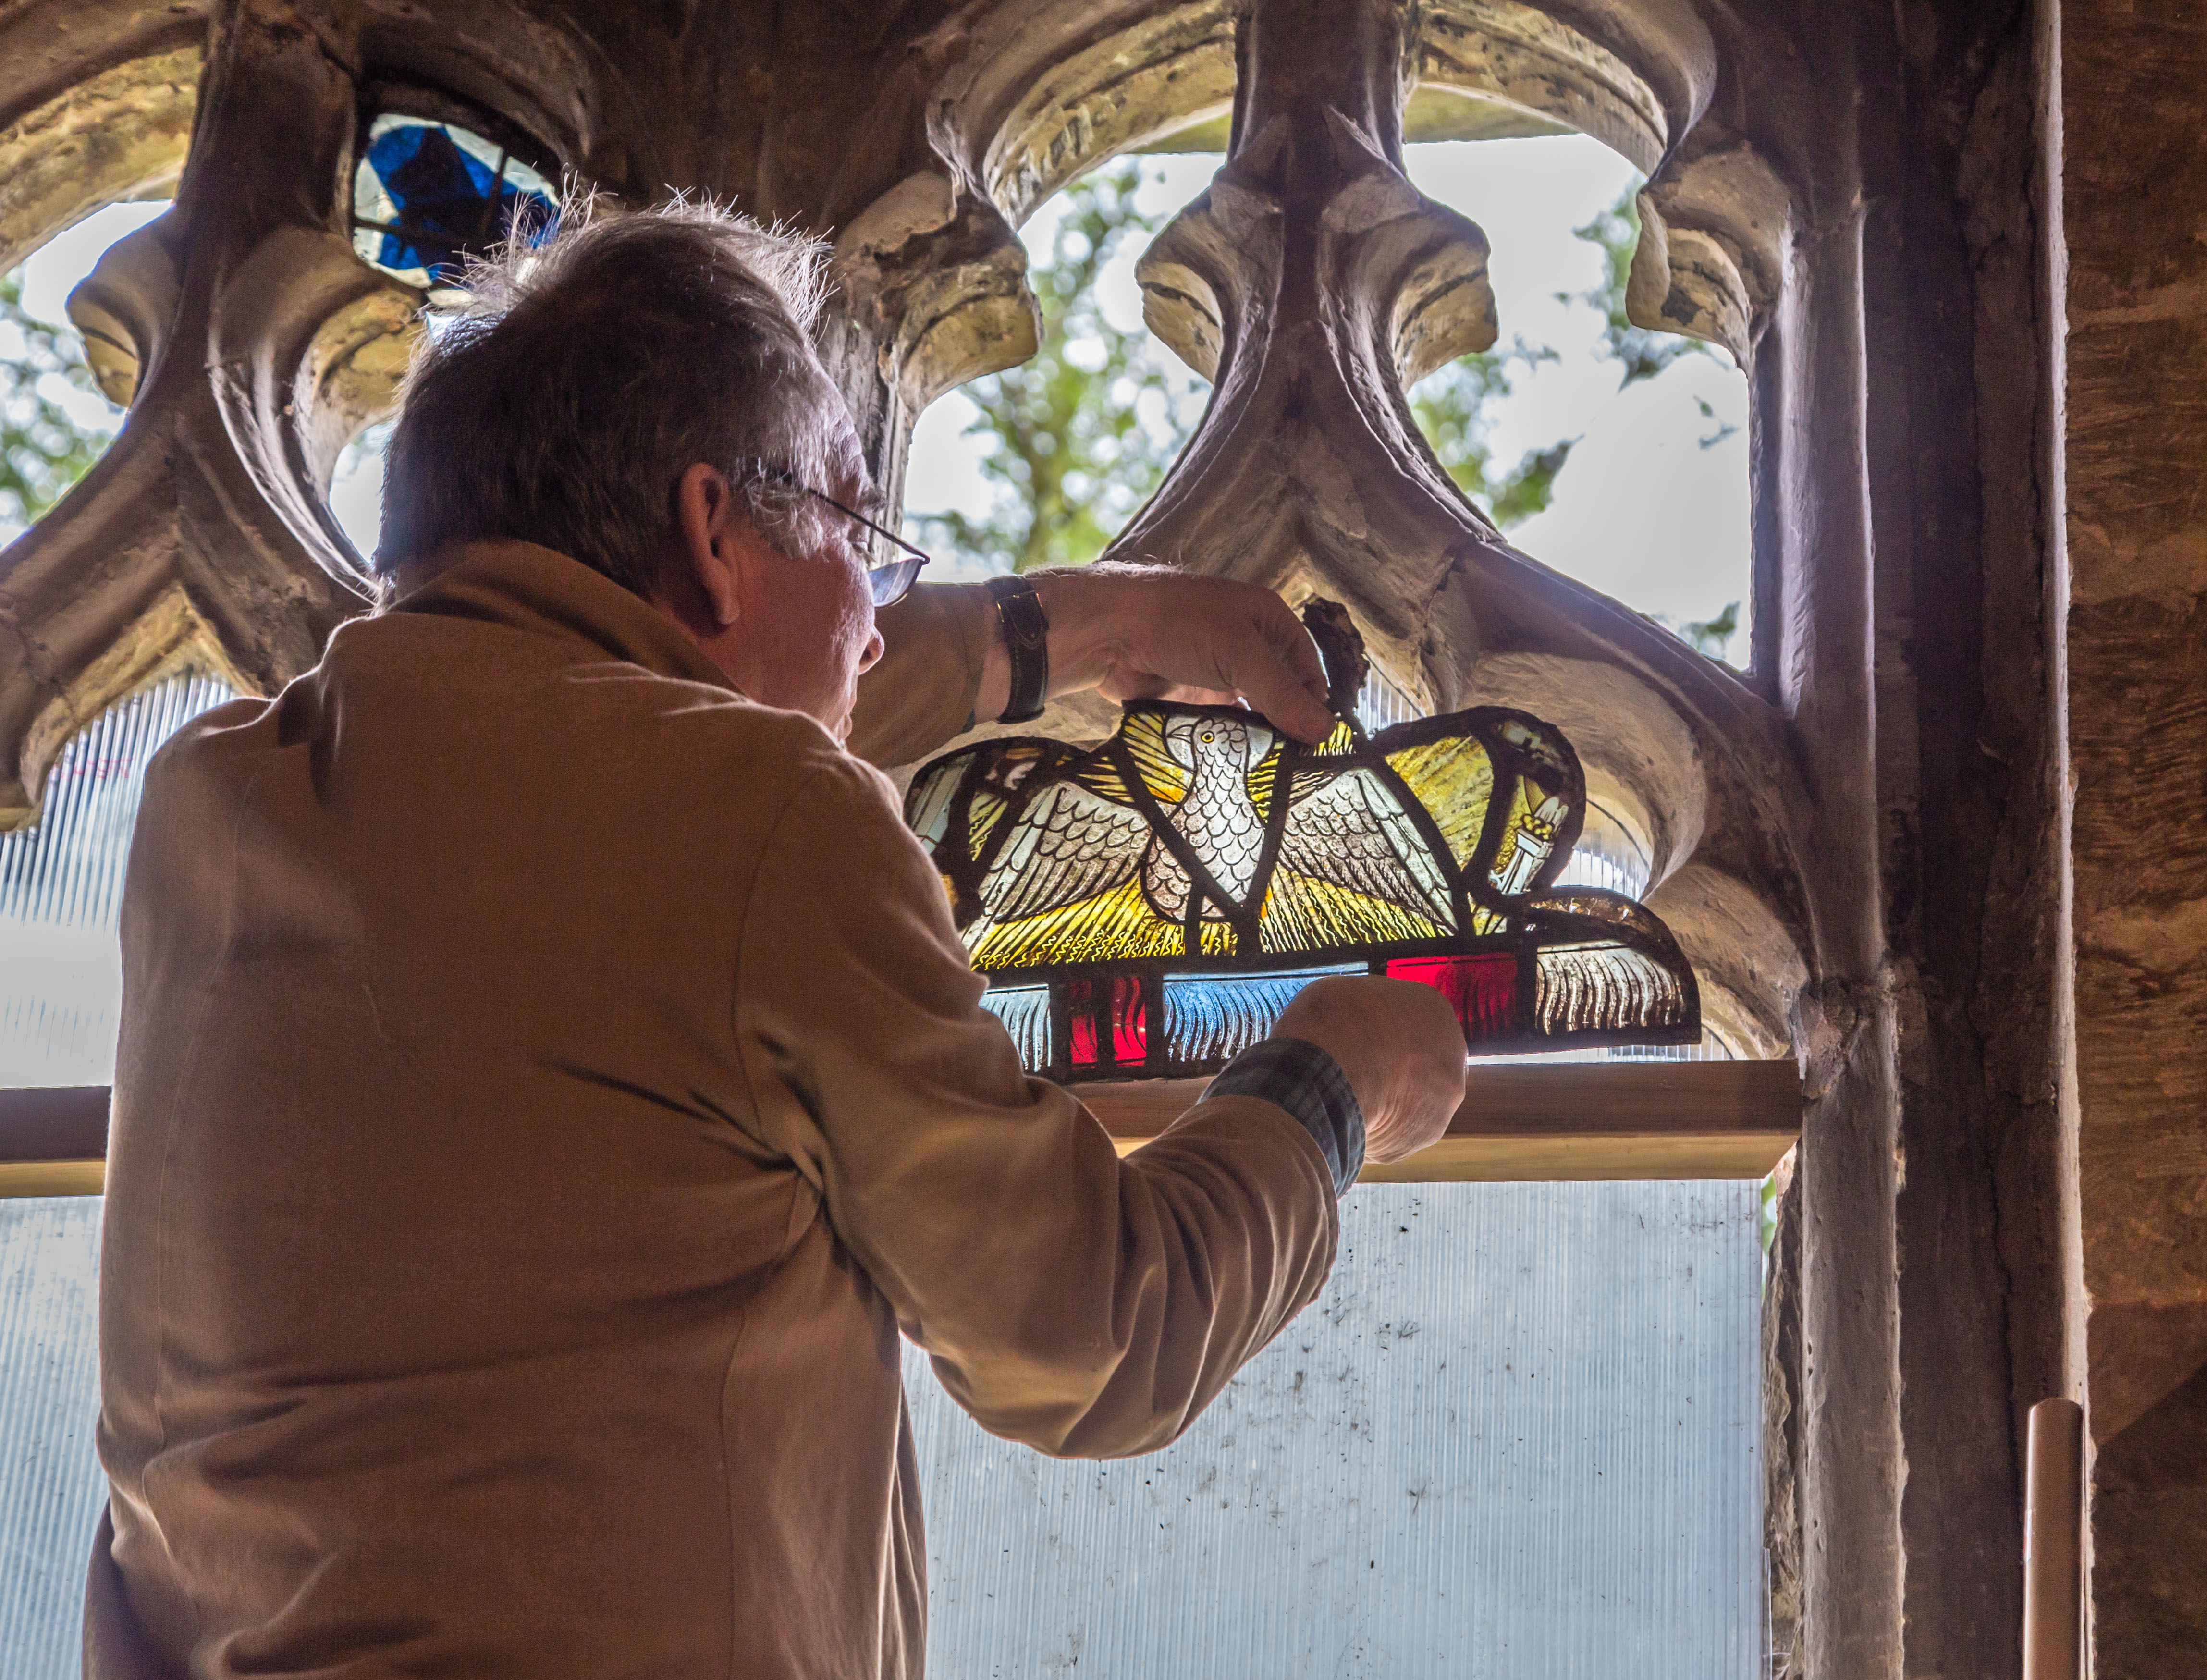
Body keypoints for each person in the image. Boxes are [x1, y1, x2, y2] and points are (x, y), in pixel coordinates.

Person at [85, 200, 1466, 1680]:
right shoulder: (762, 817)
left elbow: (594, 738)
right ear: (709, 526)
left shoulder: (214, 803)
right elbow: (1094, 1331)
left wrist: (1060, 632)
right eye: (857, 533)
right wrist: (1332, 1081)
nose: (875, 618)